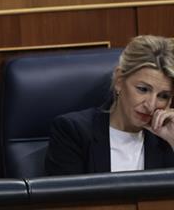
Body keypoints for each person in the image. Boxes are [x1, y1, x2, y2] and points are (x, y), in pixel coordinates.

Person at [45, 35, 174, 175]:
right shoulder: (74, 132)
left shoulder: (167, 139)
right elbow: (67, 195)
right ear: (119, 81)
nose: (151, 105)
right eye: (143, 89)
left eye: (163, 96)